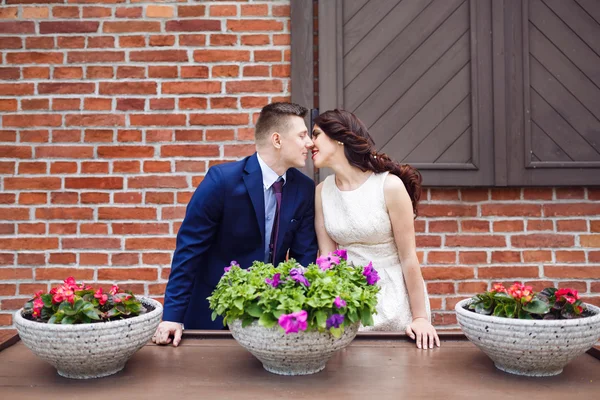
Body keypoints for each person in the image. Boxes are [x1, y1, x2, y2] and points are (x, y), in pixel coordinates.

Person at [153, 102, 318, 346]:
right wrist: (172, 317)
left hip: (271, 320)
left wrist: (300, 312)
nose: (310, 143)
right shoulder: (221, 182)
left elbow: (305, 257)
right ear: (277, 140)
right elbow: (188, 251)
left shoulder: (303, 189)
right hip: (213, 316)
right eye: (302, 135)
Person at [311, 109, 440, 350]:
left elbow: (408, 257)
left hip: (394, 302)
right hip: (350, 305)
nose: (310, 143)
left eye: (316, 135)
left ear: (338, 138)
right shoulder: (322, 192)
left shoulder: (389, 186)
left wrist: (420, 318)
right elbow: (328, 260)